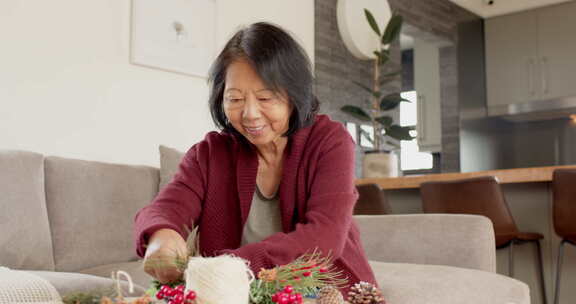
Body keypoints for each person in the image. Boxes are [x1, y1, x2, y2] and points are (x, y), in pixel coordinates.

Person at [133, 22, 376, 293]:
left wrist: (229, 266)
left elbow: (325, 236)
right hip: (236, 292)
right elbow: (166, 207)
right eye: (235, 99)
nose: (249, 114)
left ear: (294, 96)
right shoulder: (209, 154)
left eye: (265, 98)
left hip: (323, 288)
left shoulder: (330, 141)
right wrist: (161, 235)